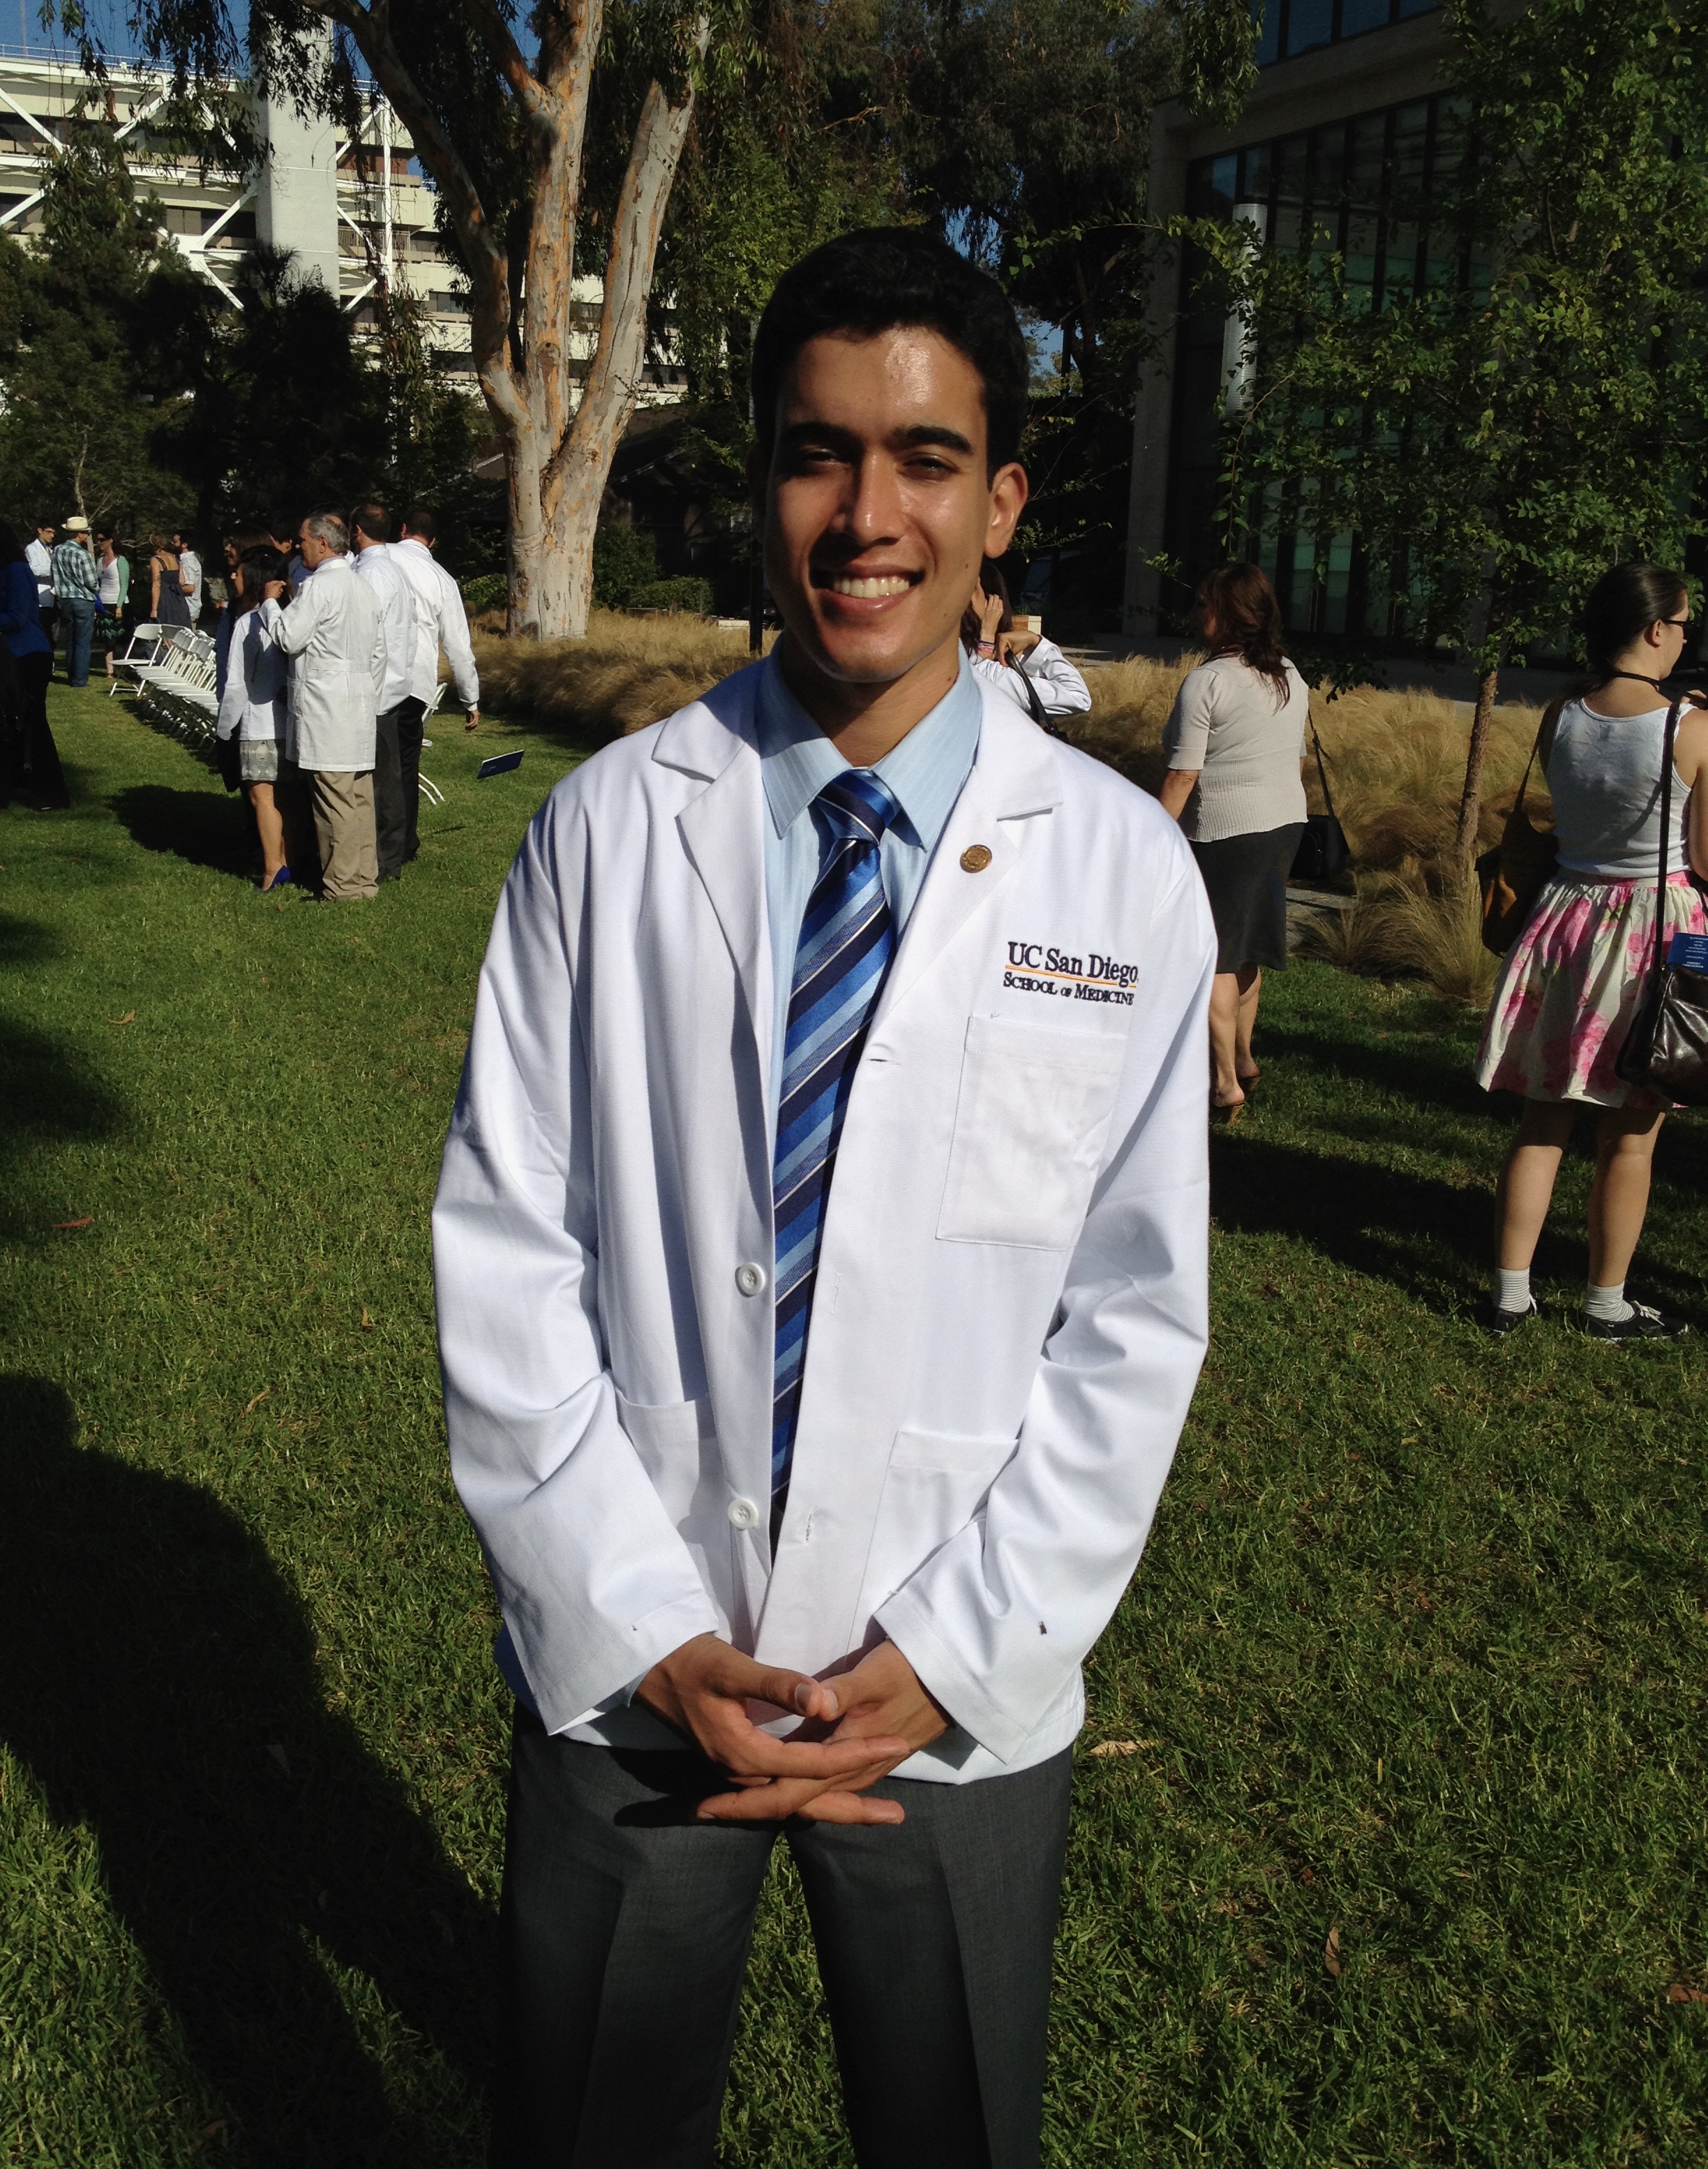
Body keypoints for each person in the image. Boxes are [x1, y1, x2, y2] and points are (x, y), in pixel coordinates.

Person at [433, 227, 1215, 2167]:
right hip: (641, 1666)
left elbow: (1137, 1318)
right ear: (763, 481)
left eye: (927, 457)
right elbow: (511, 1251)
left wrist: (960, 1646)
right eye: (817, 453)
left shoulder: (1119, 882)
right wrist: (634, 1616)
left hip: (958, 1677)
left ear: (1003, 499)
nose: (869, 515)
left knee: (951, 2126)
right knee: (594, 2126)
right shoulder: (608, 834)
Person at [1476, 560, 1707, 1341]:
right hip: (1649, 933)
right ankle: (1606, 1304)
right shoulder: (1690, 727)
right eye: (1682, 625)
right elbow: (1704, 860)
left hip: (1565, 919)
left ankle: (1511, 1293)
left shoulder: (1561, 714)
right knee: (1631, 1132)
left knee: (1545, 1117)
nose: (1685, 638)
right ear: (1653, 630)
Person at [1159, 562, 1309, 1121]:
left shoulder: (1209, 680)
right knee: (1248, 947)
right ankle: (1244, 1056)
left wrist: (1152, 840)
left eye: (1204, 603)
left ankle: (1223, 1083)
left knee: (1215, 956)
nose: (1197, 613)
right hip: (1285, 823)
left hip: (1225, 829)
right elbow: (1295, 760)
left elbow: (1182, 776)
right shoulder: (1290, 674)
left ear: (1230, 613)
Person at [264, 514, 382, 902]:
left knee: (333, 801)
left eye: (303, 540)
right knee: (359, 798)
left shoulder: (318, 587)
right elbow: (379, 653)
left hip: (327, 706)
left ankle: (342, 886)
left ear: (323, 543)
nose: (299, 546)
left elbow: (288, 636)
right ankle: (364, 880)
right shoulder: (363, 587)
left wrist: (270, 605)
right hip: (359, 702)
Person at [388, 506, 481, 867]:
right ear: (434, 540)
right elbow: (458, 645)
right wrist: (470, 699)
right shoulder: (442, 579)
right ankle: (405, 841)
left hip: (376, 675)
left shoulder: (376, 561)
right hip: (416, 680)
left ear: (403, 529)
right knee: (407, 764)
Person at [216, 546, 294, 891]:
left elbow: (237, 683)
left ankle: (271, 867)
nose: (234, 576)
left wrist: (224, 727)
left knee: (261, 798)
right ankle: (286, 860)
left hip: (258, 723)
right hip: (291, 722)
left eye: (241, 572)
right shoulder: (294, 619)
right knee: (286, 800)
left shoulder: (249, 622)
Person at [347, 502, 419, 884]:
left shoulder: (374, 573)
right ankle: (386, 855)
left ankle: (385, 858)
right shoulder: (390, 568)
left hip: (376, 690)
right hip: (391, 686)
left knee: (380, 780)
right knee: (385, 776)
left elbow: (367, 636)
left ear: (357, 530)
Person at [962, 558, 1092, 719]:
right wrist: (1036, 643)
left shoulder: (942, 659)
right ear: (993, 603)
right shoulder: (987, 674)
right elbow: (1077, 697)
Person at [0, 519, 68, 811]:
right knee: (9, 724)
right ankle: (14, 783)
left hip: (29, 655)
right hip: (11, 656)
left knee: (32, 723)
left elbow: (16, 617)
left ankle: (48, 793)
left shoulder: (17, 571)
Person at [50, 516, 100, 689]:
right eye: (86, 532)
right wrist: (96, 588)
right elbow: (92, 581)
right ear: (79, 534)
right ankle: (79, 680)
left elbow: (54, 574)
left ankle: (71, 676)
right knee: (83, 642)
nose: (87, 535)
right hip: (83, 599)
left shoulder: (57, 550)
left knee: (70, 640)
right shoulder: (82, 554)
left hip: (65, 599)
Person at [96, 531, 130, 681]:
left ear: (111, 540)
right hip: (103, 603)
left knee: (122, 638)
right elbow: (97, 583)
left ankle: (124, 668)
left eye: (102, 540)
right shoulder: (99, 561)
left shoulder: (121, 561)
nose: (99, 543)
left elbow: (125, 585)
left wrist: (119, 606)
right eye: (98, 540)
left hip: (118, 602)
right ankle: (109, 671)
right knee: (107, 639)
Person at [149, 532, 193, 628]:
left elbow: (156, 585)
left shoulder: (155, 560)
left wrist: (154, 609)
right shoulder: (175, 558)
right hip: (178, 597)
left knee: (165, 632)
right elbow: (182, 581)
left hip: (164, 599)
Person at [25, 522, 55, 621]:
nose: (52, 536)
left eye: (53, 533)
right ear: (40, 531)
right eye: (49, 532)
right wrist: (55, 571)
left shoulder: (51, 550)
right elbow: (34, 569)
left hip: (52, 595)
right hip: (40, 595)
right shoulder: (32, 548)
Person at [174, 530, 204, 626]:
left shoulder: (188, 562)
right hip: (186, 610)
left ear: (184, 545)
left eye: (175, 541)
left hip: (188, 610)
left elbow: (190, 588)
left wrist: (171, 590)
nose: (172, 544)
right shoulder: (185, 560)